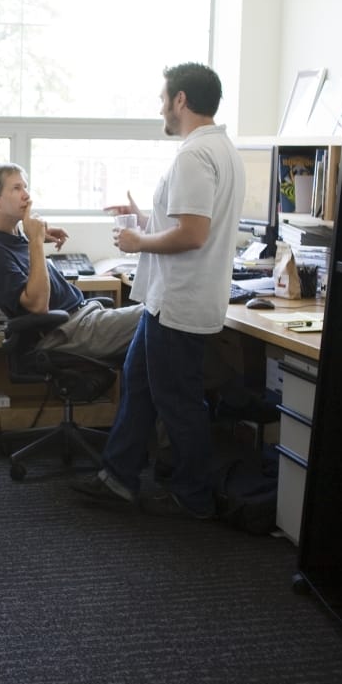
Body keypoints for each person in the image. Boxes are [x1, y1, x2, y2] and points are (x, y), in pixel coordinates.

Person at [70, 62, 246, 519]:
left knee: (179, 404)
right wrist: (145, 218)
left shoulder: (193, 156)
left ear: (180, 100)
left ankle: (194, 497)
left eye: (163, 99)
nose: (161, 108)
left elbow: (193, 234)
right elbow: (189, 222)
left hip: (179, 302)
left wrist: (137, 242)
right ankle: (118, 477)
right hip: (171, 300)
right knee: (138, 383)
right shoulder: (221, 149)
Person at [0, 162, 142, 364]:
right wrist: (35, 241)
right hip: (68, 331)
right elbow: (38, 306)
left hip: (84, 316)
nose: (27, 195)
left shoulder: (13, 239)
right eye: (16, 188)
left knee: (156, 317)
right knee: (157, 314)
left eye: (25, 187)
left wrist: (36, 238)